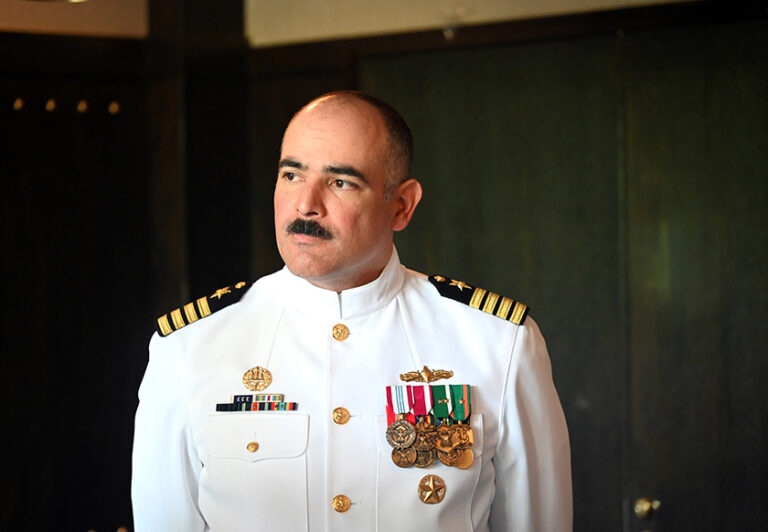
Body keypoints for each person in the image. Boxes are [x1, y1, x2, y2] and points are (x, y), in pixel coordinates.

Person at [132, 91, 572, 531]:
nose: (306, 204)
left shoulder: (498, 342)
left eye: (341, 181)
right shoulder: (190, 347)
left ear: (402, 205)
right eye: (291, 174)